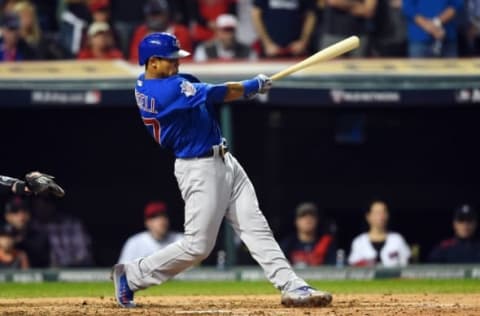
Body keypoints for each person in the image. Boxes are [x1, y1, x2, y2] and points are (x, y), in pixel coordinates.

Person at [111, 32, 332, 308]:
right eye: (170, 60)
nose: (176, 64)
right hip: (199, 168)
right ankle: (131, 276)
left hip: (224, 159)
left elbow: (207, 92)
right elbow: (218, 92)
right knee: (198, 247)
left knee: (256, 227)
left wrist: (247, 88)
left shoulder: (159, 82)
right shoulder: (163, 91)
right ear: (152, 62)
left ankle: (292, 285)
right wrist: (252, 86)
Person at [31, 196, 93, 267]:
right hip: (47, 272)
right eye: (39, 204)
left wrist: (66, 266)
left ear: (53, 205)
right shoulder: (31, 227)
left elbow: (84, 255)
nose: (43, 207)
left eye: (46, 202)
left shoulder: (72, 224)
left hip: (75, 269)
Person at [348, 200, 411, 267]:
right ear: (368, 216)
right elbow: (353, 264)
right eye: (377, 213)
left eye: (384, 212)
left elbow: (407, 264)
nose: (381, 216)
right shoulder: (359, 241)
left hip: (393, 276)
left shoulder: (397, 239)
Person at [118, 201, 183, 263]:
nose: (161, 221)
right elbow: (121, 271)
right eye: (155, 217)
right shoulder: (134, 243)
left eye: (164, 215)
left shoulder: (181, 240)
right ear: (147, 222)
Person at [251, 0, 317, 57]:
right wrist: (267, 43)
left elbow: (311, 15)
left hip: (297, 50)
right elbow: (255, 14)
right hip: (269, 50)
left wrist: (303, 42)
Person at [281, 202, 336, 267]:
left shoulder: (326, 243)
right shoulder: (287, 244)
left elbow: (333, 268)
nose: (308, 219)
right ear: (296, 221)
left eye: (312, 215)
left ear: (317, 220)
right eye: (303, 215)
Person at [4, 197, 50, 267]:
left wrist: (19, 241)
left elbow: (44, 263)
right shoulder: (3, 234)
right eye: (15, 211)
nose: (21, 215)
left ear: (29, 214)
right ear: (7, 216)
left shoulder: (40, 237)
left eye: (24, 210)